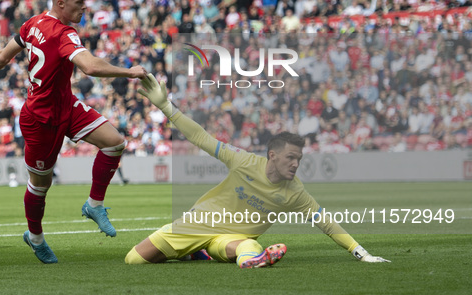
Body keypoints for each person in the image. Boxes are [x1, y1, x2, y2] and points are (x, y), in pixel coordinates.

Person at [0, 0, 147, 264]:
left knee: (115, 142)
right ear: (61, 2)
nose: (84, 7)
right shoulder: (62, 33)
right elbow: (89, 67)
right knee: (40, 186)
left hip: (66, 105)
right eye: (79, 3)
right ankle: (35, 237)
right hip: (41, 119)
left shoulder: (33, 23)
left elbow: (3, 56)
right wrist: (130, 72)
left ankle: (94, 204)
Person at [126, 74, 390, 268]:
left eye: (299, 159)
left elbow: (326, 222)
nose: (296, 164)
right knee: (134, 260)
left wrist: (360, 252)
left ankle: (247, 260)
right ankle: (194, 251)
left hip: (233, 239)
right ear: (272, 156)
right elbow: (201, 137)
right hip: (200, 222)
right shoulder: (243, 161)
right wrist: (166, 107)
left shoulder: (295, 192)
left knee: (249, 247)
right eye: (290, 158)